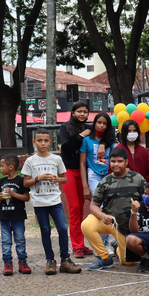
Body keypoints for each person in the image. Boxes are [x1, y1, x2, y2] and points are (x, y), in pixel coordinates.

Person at [22, 128, 80, 275]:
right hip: (39, 202)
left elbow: (64, 178)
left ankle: (65, 260)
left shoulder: (56, 159)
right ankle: (50, 260)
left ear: (50, 142)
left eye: (45, 141)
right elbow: (25, 183)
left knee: (62, 228)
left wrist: (57, 179)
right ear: (34, 142)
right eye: (39, 140)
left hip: (55, 200)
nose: (42, 143)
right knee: (45, 230)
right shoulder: (30, 161)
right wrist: (38, 179)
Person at [83, 148, 147, 270]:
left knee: (128, 262)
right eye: (113, 161)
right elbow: (93, 205)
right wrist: (103, 216)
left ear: (126, 162)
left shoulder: (138, 179)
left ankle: (117, 247)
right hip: (111, 223)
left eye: (119, 161)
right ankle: (105, 258)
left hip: (130, 230)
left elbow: (147, 202)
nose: (116, 164)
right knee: (87, 224)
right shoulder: (105, 182)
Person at [59, 101, 93, 258]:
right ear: (73, 113)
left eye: (85, 112)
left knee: (81, 210)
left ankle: (81, 243)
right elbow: (66, 150)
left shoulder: (89, 129)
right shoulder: (65, 128)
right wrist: (80, 136)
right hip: (70, 172)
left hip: (85, 172)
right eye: (79, 111)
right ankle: (77, 246)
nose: (82, 114)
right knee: (74, 209)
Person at [80, 112, 115, 250]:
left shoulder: (109, 142)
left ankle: (105, 244)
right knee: (100, 207)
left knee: (107, 208)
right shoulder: (87, 140)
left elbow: (113, 160)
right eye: (99, 122)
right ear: (94, 123)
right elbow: (82, 163)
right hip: (93, 175)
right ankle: (101, 246)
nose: (101, 125)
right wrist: (85, 186)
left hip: (107, 175)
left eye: (105, 123)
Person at [0, 154, 30, 276]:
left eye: (2, 166)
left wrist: (14, 195)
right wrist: (0, 197)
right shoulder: (1, 181)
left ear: (11, 167)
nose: (0, 168)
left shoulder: (20, 181)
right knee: (6, 240)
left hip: (18, 217)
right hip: (4, 217)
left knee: (20, 240)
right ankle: (7, 263)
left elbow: (26, 197)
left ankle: (22, 261)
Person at [116, 119, 149, 183]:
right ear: (124, 133)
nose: (132, 133)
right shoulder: (118, 150)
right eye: (129, 131)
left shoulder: (143, 151)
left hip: (141, 188)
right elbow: (111, 171)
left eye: (134, 131)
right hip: (122, 188)